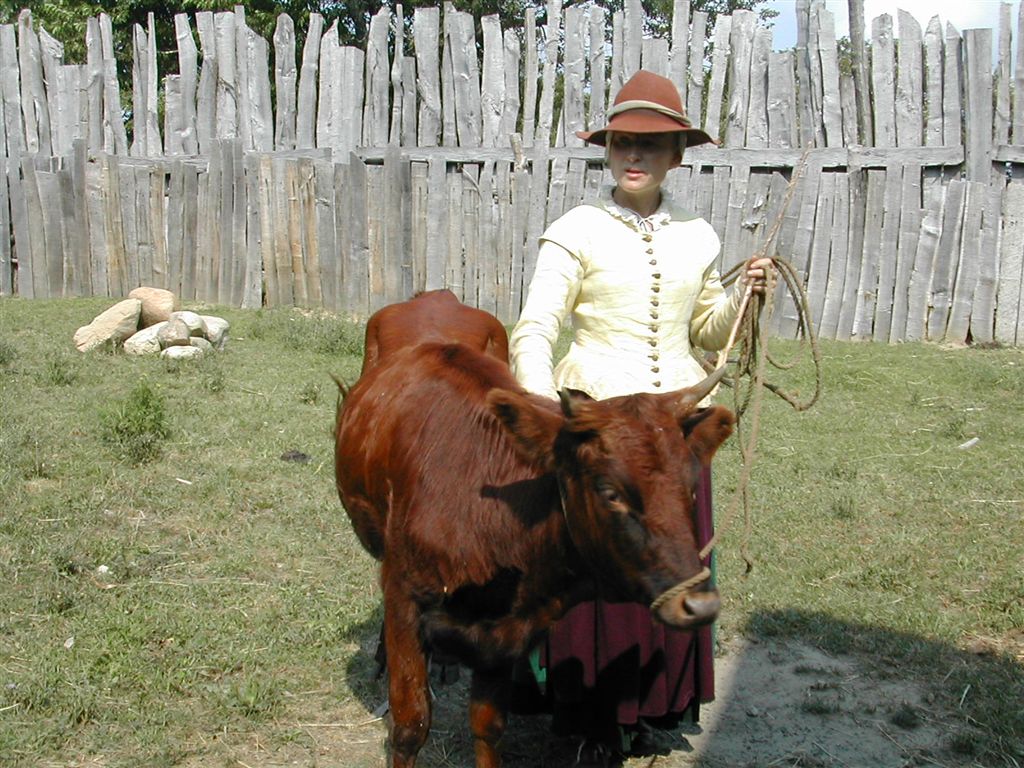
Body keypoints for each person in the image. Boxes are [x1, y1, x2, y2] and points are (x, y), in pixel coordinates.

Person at [507, 69, 772, 764]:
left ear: (677, 155)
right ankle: (594, 713)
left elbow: (708, 332)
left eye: (651, 147)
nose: (635, 157)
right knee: (602, 576)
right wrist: (549, 411)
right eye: (624, 143)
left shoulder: (697, 234)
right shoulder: (575, 230)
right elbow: (534, 328)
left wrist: (745, 297)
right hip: (608, 434)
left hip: (679, 427)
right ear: (607, 150)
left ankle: (659, 703)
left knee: (676, 562)